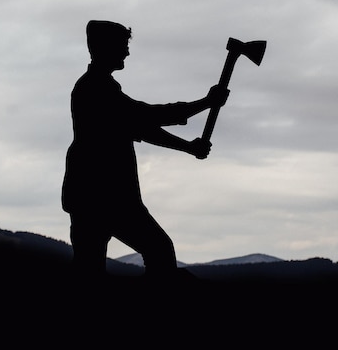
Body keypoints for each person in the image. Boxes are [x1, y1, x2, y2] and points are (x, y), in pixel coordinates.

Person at [61, 20, 229, 282]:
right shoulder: (95, 89)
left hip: (93, 196)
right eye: (123, 46)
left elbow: (140, 127)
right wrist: (205, 103)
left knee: (89, 272)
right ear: (105, 48)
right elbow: (143, 117)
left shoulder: (98, 87)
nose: (127, 52)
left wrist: (188, 146)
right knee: (157, 250)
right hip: (105, 196)